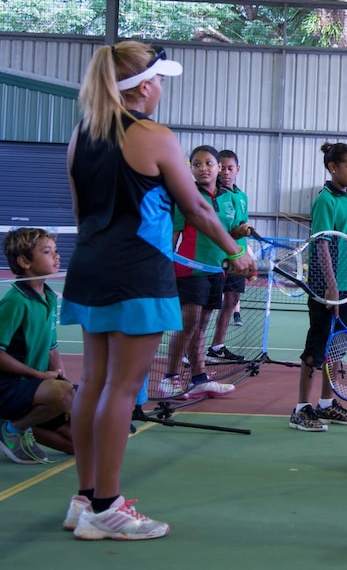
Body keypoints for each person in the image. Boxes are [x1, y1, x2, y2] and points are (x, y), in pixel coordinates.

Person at [59, 41, 254, 540]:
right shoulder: (153, 136)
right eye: (160, 79)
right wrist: (236, 252)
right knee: (122, 389)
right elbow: (198, 209)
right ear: (145, 87)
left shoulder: (82, 135)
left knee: (95, 383)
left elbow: (82, 214)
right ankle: (107, 506)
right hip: (137, 275)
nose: (162, 87)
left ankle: (85, 500)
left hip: (90, 270)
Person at [290, 142, 347, 432]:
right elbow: (321, 245)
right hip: (325, 288)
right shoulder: (326, 200)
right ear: (333, 168)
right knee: (317, 345)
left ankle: (325, 403)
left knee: (337, 348)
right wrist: (331, 288)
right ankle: (301, 408)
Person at [165, 145, 245, 399]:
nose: (203, 168)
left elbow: (226, 236)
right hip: (190, 270)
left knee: (201, 327)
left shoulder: (228, 199)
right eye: (196, 164)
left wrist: (239, 234)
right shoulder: (186, 196)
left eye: (208, 163)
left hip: (215, 271)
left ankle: (199, 378)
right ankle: (170, 377)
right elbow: (174, 233)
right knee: (188, 325)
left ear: (219, 167)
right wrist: (166, 265)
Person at [0, 228, 74, 464]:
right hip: (8, 387)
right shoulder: (14, 301)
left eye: (55, 251)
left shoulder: (49, 297)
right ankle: (12, 428)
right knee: (63, 395)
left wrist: (62, 378)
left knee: (78, 444)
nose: (57, 256)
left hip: (34, 389)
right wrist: (41, 376)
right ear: (24, 261)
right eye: (47, 251)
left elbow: (52, 347)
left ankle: (18, 427)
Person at [207, 149, 252, 361]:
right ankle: (192, 351)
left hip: (238, 260)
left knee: (231, 300)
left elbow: (239, 226)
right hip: (215, 259)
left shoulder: (242, 197)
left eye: (230, 168)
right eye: (222, 167)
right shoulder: (211, 196)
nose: (225, 172)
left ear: (238, 170)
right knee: (206, 307)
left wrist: (244, 235)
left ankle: (217, 346)